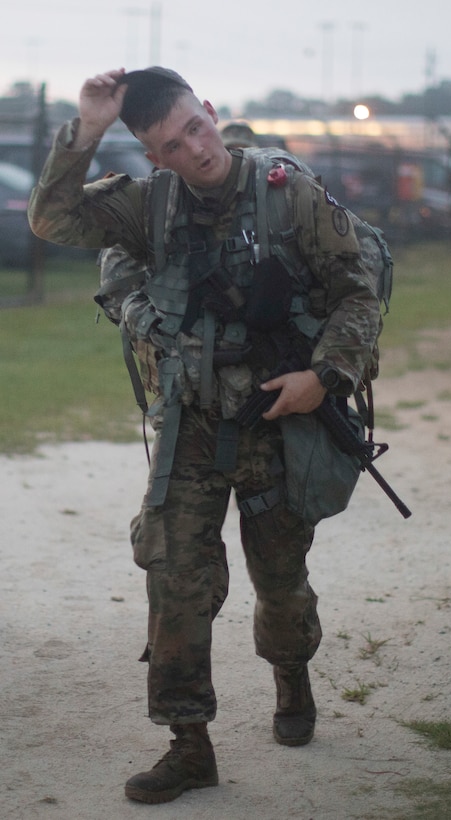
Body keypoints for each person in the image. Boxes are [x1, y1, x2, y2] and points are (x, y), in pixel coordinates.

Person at [29, 67, 382, 804]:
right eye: (174, 143)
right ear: (155, 157)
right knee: (174, 577)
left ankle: (292, 674)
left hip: (276, 424)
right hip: (189, 425)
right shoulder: (146, 207)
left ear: (211, 112)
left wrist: (326, 375)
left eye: (198, 126)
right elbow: (51, 219)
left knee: (280, 582)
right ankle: (189, 743)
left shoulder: (288, 195)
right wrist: (87, 129)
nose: (197, 148)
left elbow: (358, 288)